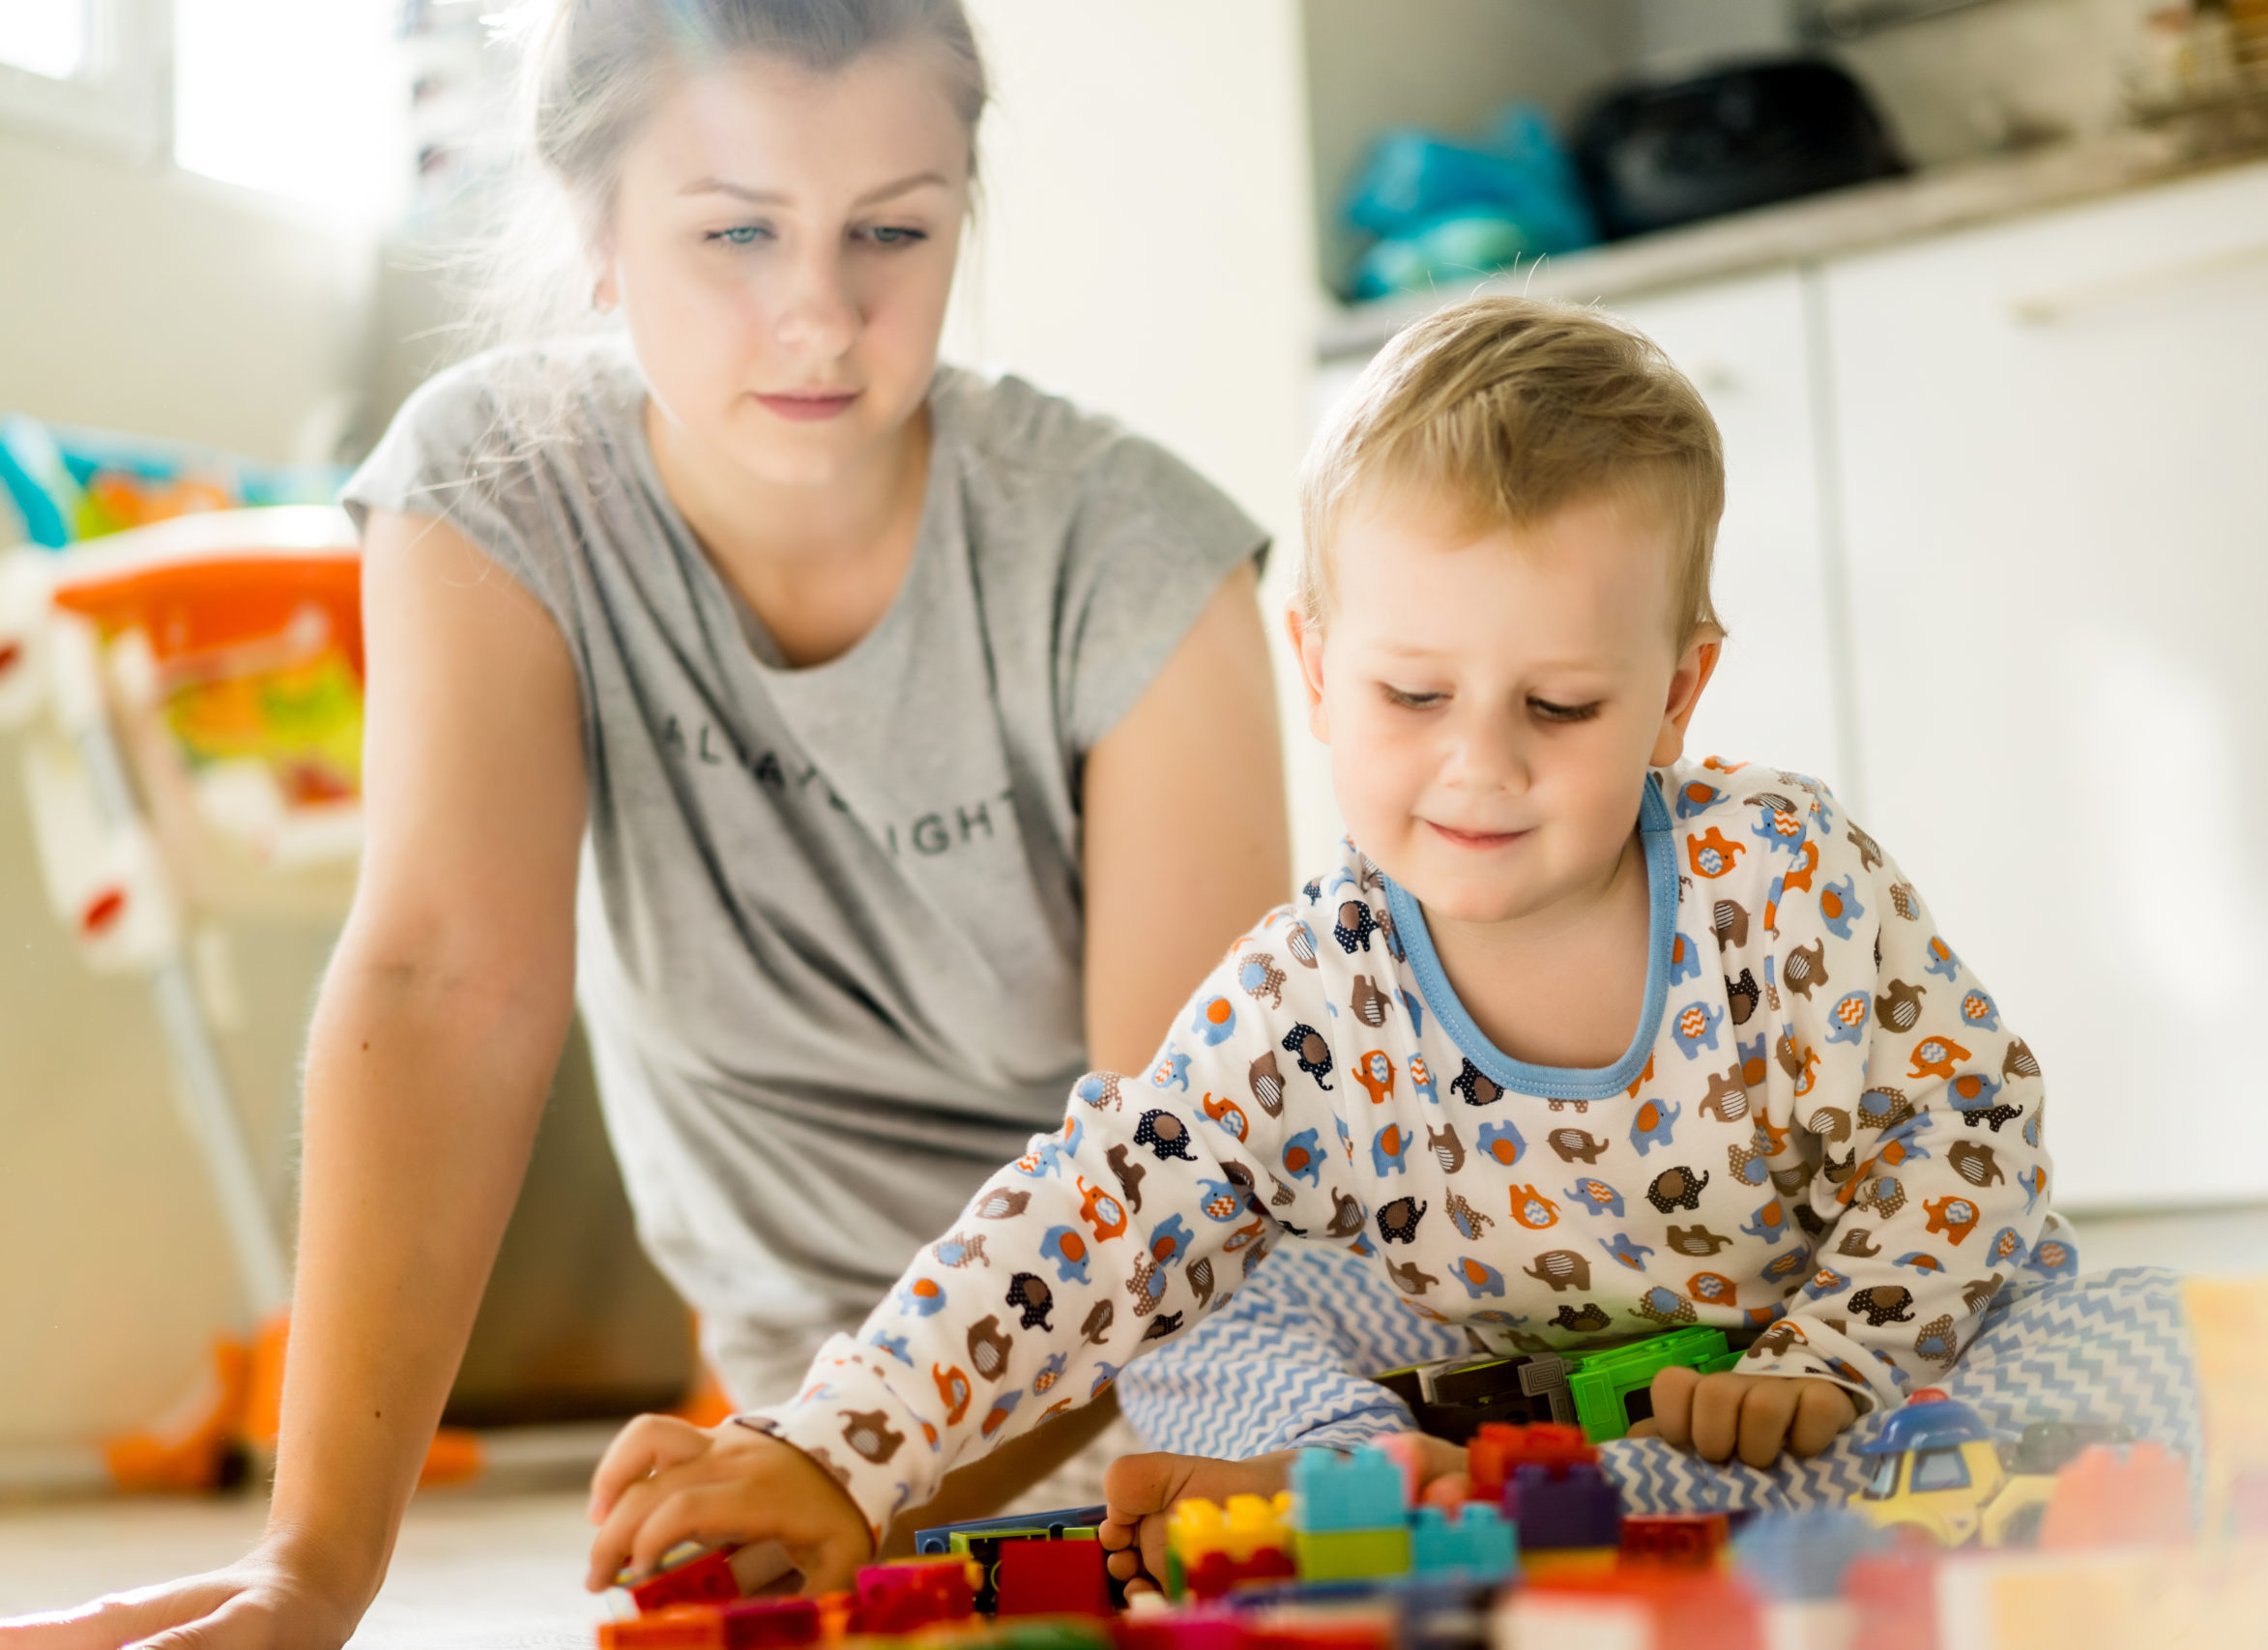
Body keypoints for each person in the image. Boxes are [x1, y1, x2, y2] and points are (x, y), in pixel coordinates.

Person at [5, 3, 1288, 1646]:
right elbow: (444, 987)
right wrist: (309, 1567)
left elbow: (1184, 1171)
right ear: (598, 231)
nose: (819, 314)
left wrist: (852, 1462)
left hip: (1155, 1439)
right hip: (787, 1463)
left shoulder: (1140, 556)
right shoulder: (495, 480)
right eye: (737, 232)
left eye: (893, 229)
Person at [577, 295, 2075, 1595]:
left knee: (2104, 1356)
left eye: (1560, 709)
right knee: (1191, 1323)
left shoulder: (1780, 882)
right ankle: (1358, 1477)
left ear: (1677, 696)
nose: (1479, 770)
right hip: (1493, 1404)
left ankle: (1416, 1512)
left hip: (1823, 1381)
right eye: (1412, 698)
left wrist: (1835, 1358)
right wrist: (836, 1453)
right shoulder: (1311, 989)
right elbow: (1090, 1217)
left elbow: (1969, 1130)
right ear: (1314, 666)